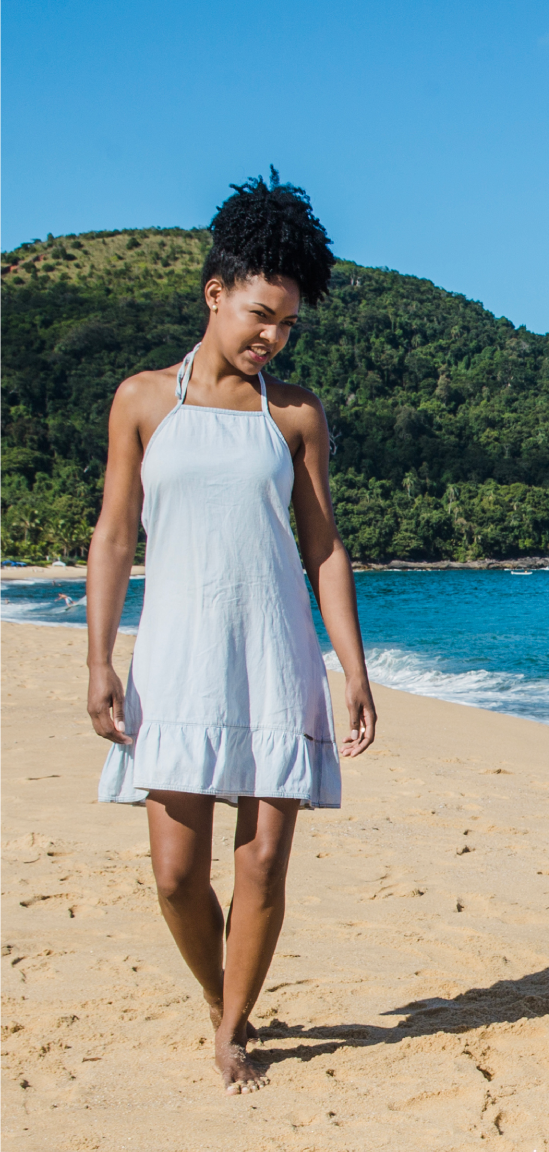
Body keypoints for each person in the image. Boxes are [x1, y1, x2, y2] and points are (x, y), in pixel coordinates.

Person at [86, 174, 376, 1095]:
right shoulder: (141, 401)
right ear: (215, 294)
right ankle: (225, 998)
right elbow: (114, 534)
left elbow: (323, 545)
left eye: (287, 325)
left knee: (262, 863)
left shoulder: (292, 414)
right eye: (260, 315)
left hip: (275, 656)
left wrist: (352, 666)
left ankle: (233, 1028)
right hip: (175, 659)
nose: (272, 337)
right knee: (176, 876)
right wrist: (98, 657)